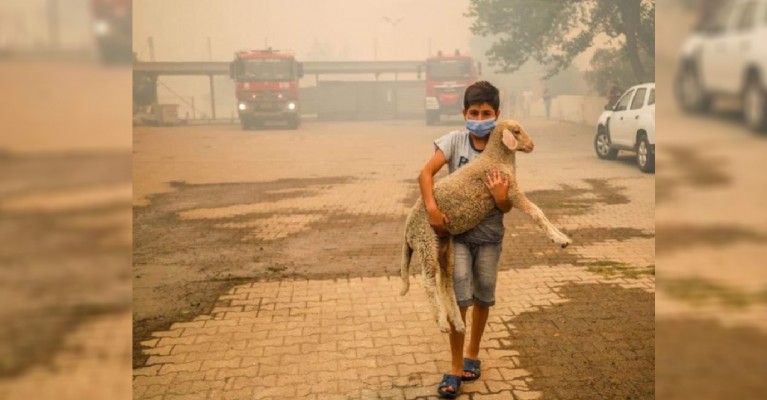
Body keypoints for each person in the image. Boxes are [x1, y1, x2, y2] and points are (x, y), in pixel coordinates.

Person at [418, 80, 512, 398]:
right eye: (474, 112)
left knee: (483, 297)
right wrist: (432, 209)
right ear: (464, 112)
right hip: (455, 234)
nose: (480, 118)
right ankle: (456, 368)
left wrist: (501, 198)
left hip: (489, 238)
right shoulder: (454, 141)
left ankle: (473, 353)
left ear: (497, 114)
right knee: (460, 297)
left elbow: (509, 203)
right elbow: (425, 174)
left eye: (487, 112)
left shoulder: (504, 148)